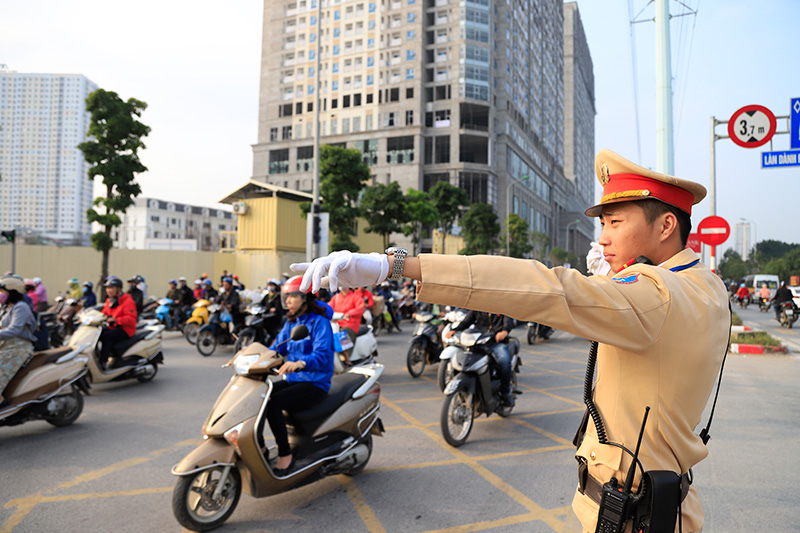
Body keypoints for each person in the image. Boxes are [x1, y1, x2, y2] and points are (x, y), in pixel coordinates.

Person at [293, 149, 730, 533]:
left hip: (629, 514)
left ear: (666, 224)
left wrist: (396, 265)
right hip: (657, 499)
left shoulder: (655, 295)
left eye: (615, 222)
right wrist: (619, 278)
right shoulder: (705, 286)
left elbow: (545, 287)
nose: (604, 237)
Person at [266, 275, 334, 475]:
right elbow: (277, 347)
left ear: (306, 298)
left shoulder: (320, 323)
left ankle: (285, 454)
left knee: (273, 403)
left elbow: (322, 355)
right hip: (294, 380)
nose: (287, 301)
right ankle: (261, 447)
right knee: (259, 395)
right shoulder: (291, 323)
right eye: (286, 297)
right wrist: (251, 357)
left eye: (292, 296)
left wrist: (300, 363)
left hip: (315, 383)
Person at [445, 310, 515, 405]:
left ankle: (505, 393)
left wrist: (504, 331)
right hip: (478, 342)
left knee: (504, 362)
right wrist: (455, 330)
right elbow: (466, 321)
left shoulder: (503, 307)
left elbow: (508, 322)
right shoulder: (477, 307)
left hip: (495, 343)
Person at [0, 275, 39, 406]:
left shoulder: (21, 307)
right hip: (6, 345)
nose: (0, 295)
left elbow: (14, 330)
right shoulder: (7, 307)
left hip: (18, 347)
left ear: (12, 292)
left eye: (2, 292)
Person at [99, 276, 137, 369]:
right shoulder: (109, 301)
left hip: (125, 329)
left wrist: (116, 320)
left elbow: (131, 319)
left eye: (111, 288)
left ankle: (103, 362)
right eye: (107, 288)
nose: (109, 290)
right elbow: (104, 313)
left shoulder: (127, 301)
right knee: (98, 333)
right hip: (113, 327)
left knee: (106, 336)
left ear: (119, 289)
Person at [328, 286, 364, 365]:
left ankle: (347, 358)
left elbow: (360, 308)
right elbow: (329, 307)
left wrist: (349, 314)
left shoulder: (356, 297)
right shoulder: (336, 297)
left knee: (342, 335)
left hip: (350, 324)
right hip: (337, 323)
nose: (342, 287)